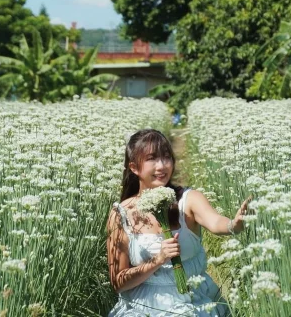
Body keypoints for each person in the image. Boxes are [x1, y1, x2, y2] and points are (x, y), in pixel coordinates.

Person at [107, 129, 251, 316]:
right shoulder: (121, 214)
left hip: (195, 299)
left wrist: (234, 224)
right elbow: (118, 282)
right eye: (152, 158)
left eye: (166, 157)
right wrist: (157, 261)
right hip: (143, 307)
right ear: (134, 167)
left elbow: (215, 222)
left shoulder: (188, 199)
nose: (161, 166)